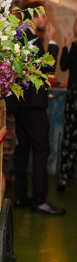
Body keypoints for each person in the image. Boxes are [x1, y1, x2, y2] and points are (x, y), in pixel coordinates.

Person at [13, 2, 65, 215]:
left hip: (22, 102)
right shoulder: (30, 38)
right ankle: (40, 200)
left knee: (23, 148)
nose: (45, 17)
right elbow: (48, 68)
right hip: (33, 104)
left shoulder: (21, 35)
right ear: (33, 17)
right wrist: (52, 40)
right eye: (43, 13)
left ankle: (20, 196)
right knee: (42, 148)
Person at [58, 17, 77, 191]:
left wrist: (66, 45)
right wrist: (67, 45)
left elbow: (64, 66)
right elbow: (64, 66)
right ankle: (64, 175)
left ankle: (65, 175)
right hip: (73, 95)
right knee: (70, 136)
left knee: (70, 136)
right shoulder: (75, 47)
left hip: (73, 95)